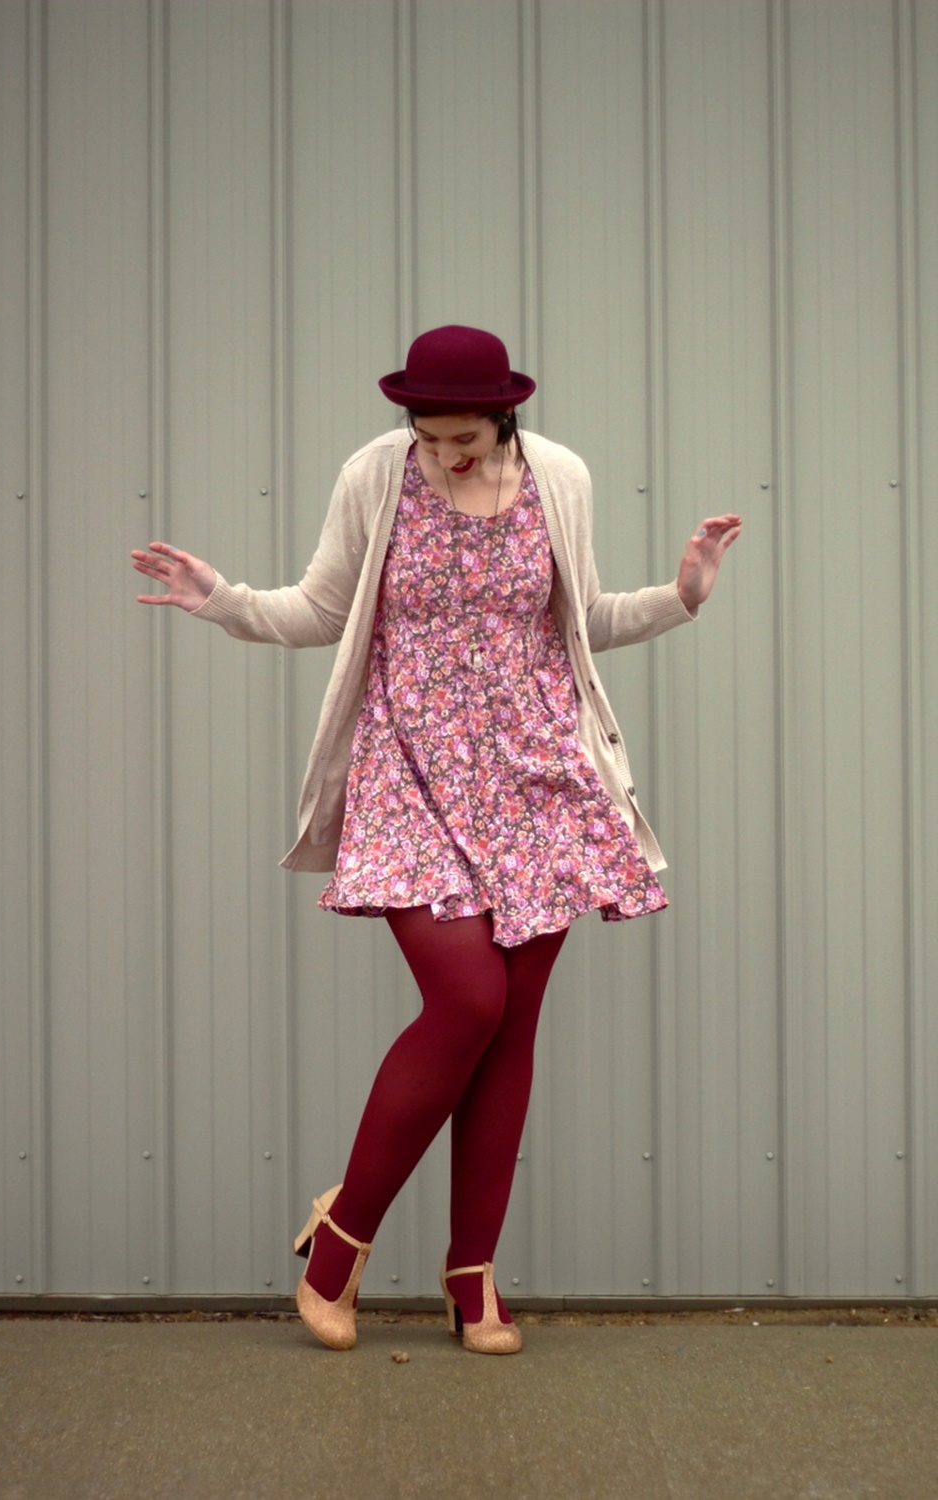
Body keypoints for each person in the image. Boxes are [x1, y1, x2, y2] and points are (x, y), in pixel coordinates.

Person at [131, 325, 741, 1355]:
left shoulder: (559, 477)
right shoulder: (376, 476)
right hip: (410, 771)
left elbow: (582, 616)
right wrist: (223, 602)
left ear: (503, 417)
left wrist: (681, 598)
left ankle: (473, 1280)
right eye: (427, 435)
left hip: (537, 777)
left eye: (461, 437)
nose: (443, 455)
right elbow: (323, 609)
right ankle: (342, 1239)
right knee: (466, 1000)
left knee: (511, 1033)